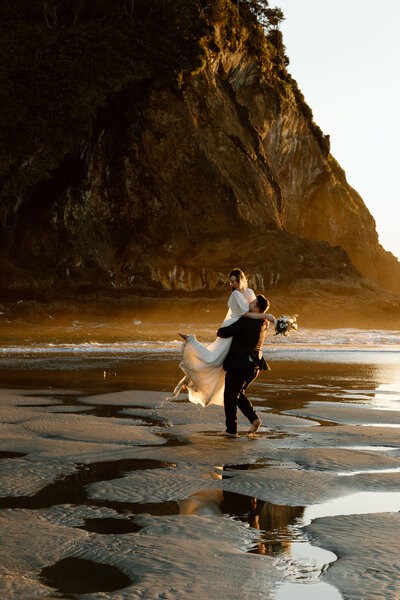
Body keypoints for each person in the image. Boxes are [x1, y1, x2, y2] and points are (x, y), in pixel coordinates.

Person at [167, 268, 276, 407]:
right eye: (231, 282)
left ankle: (208, 383)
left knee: (222, 359)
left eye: (234, 281)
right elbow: (247, 314)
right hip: (234, 323)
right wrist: (265, 316)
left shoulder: (249, 292)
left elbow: (256, 308)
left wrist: (263, 317)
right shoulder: (236, 294)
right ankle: (191, 341)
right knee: (216, 356)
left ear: (241, 279)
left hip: (242, 326)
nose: (233, 284)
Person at [217, 294, 272, 437]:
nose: (249, 303)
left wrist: (225, 326)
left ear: (258, 310)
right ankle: (254, 419)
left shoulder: (247, 321)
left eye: (253, 303)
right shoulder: (263, 324)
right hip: (253, 366)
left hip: (240, 365)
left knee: (230, 396)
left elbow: (223, 332)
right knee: (238, 394)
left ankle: (231, 431)